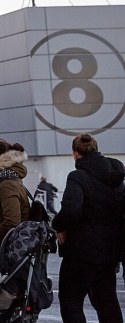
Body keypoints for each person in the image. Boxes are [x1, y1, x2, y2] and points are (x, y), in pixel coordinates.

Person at [52, 133, 125, 323]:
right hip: (110, 250)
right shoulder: (116, 176)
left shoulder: (78, 177)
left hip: (81, 252)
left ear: (75, 154)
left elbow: (71, 210)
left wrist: (58, 226)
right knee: (107, 301)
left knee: (71, 301)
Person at [0, 139, 30, 294]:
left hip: (6, 253)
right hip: (4, 252)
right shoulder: (3, 181)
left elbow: (12, 221)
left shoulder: (6, 184)